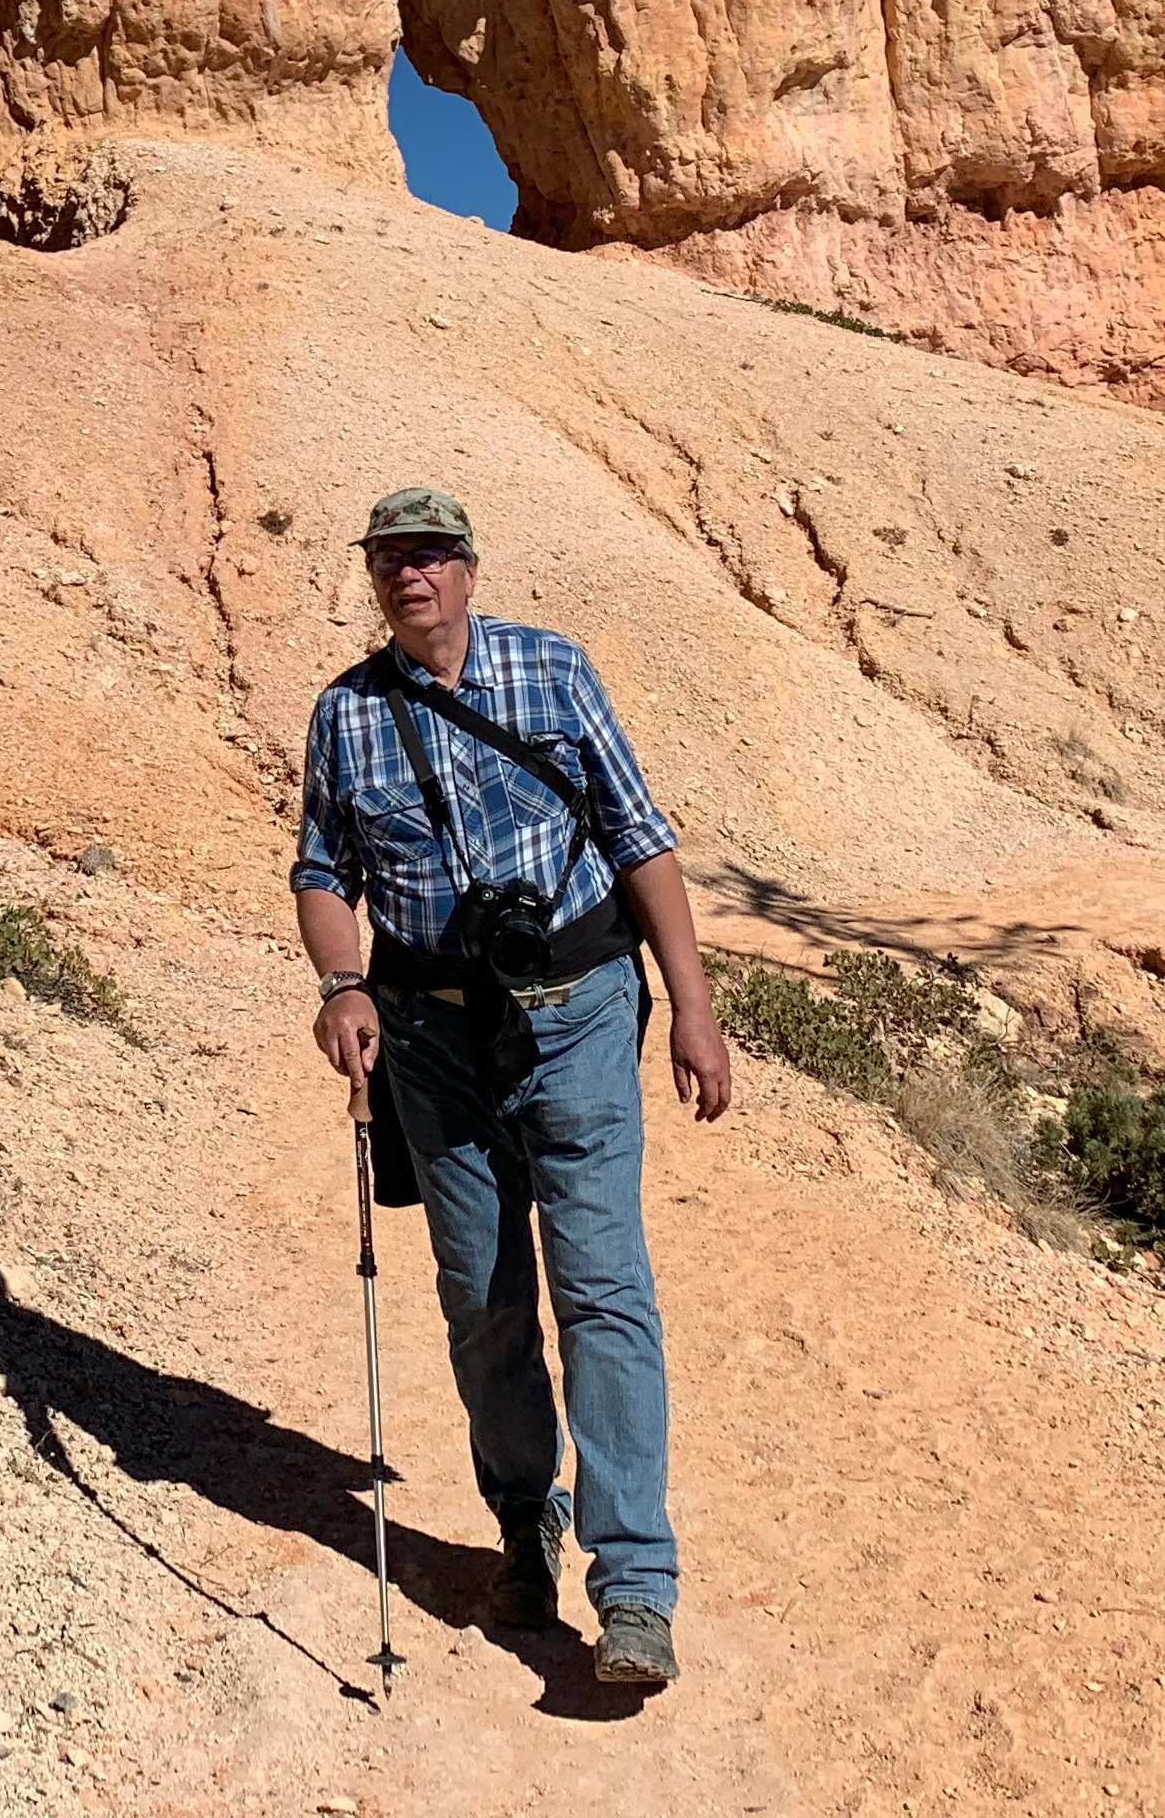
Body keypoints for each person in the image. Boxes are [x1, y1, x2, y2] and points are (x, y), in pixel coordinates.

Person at [291, 484, 732, 1692]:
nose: (409, 576)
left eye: (430, 556)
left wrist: (691, 1005)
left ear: (471, 571)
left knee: (603, 1292)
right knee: (483, 1301)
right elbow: (323, 868)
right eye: (389, 559)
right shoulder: (347, 715)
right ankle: (521, 1524)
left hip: (580, 1018)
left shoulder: (552, 671)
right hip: (433, 1041)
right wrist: (343, 984)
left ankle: (635, 1586)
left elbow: (640, 837)